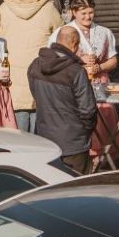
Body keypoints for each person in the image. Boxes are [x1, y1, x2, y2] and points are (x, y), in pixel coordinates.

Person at [0, 0, 63, 132]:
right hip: (40, 71)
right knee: (39, 123)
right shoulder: (48, 8)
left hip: (13, 73)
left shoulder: (4, 9)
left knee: (19, 122)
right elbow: (60, 37)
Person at [31, 25, 98, 171]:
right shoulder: (76, 71)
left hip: (45, 140)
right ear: (74, 44)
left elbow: (36, 96)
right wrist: (83, 132)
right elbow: (88, 110)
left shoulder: (35, 65)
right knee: (76, 184)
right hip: (74, 144)